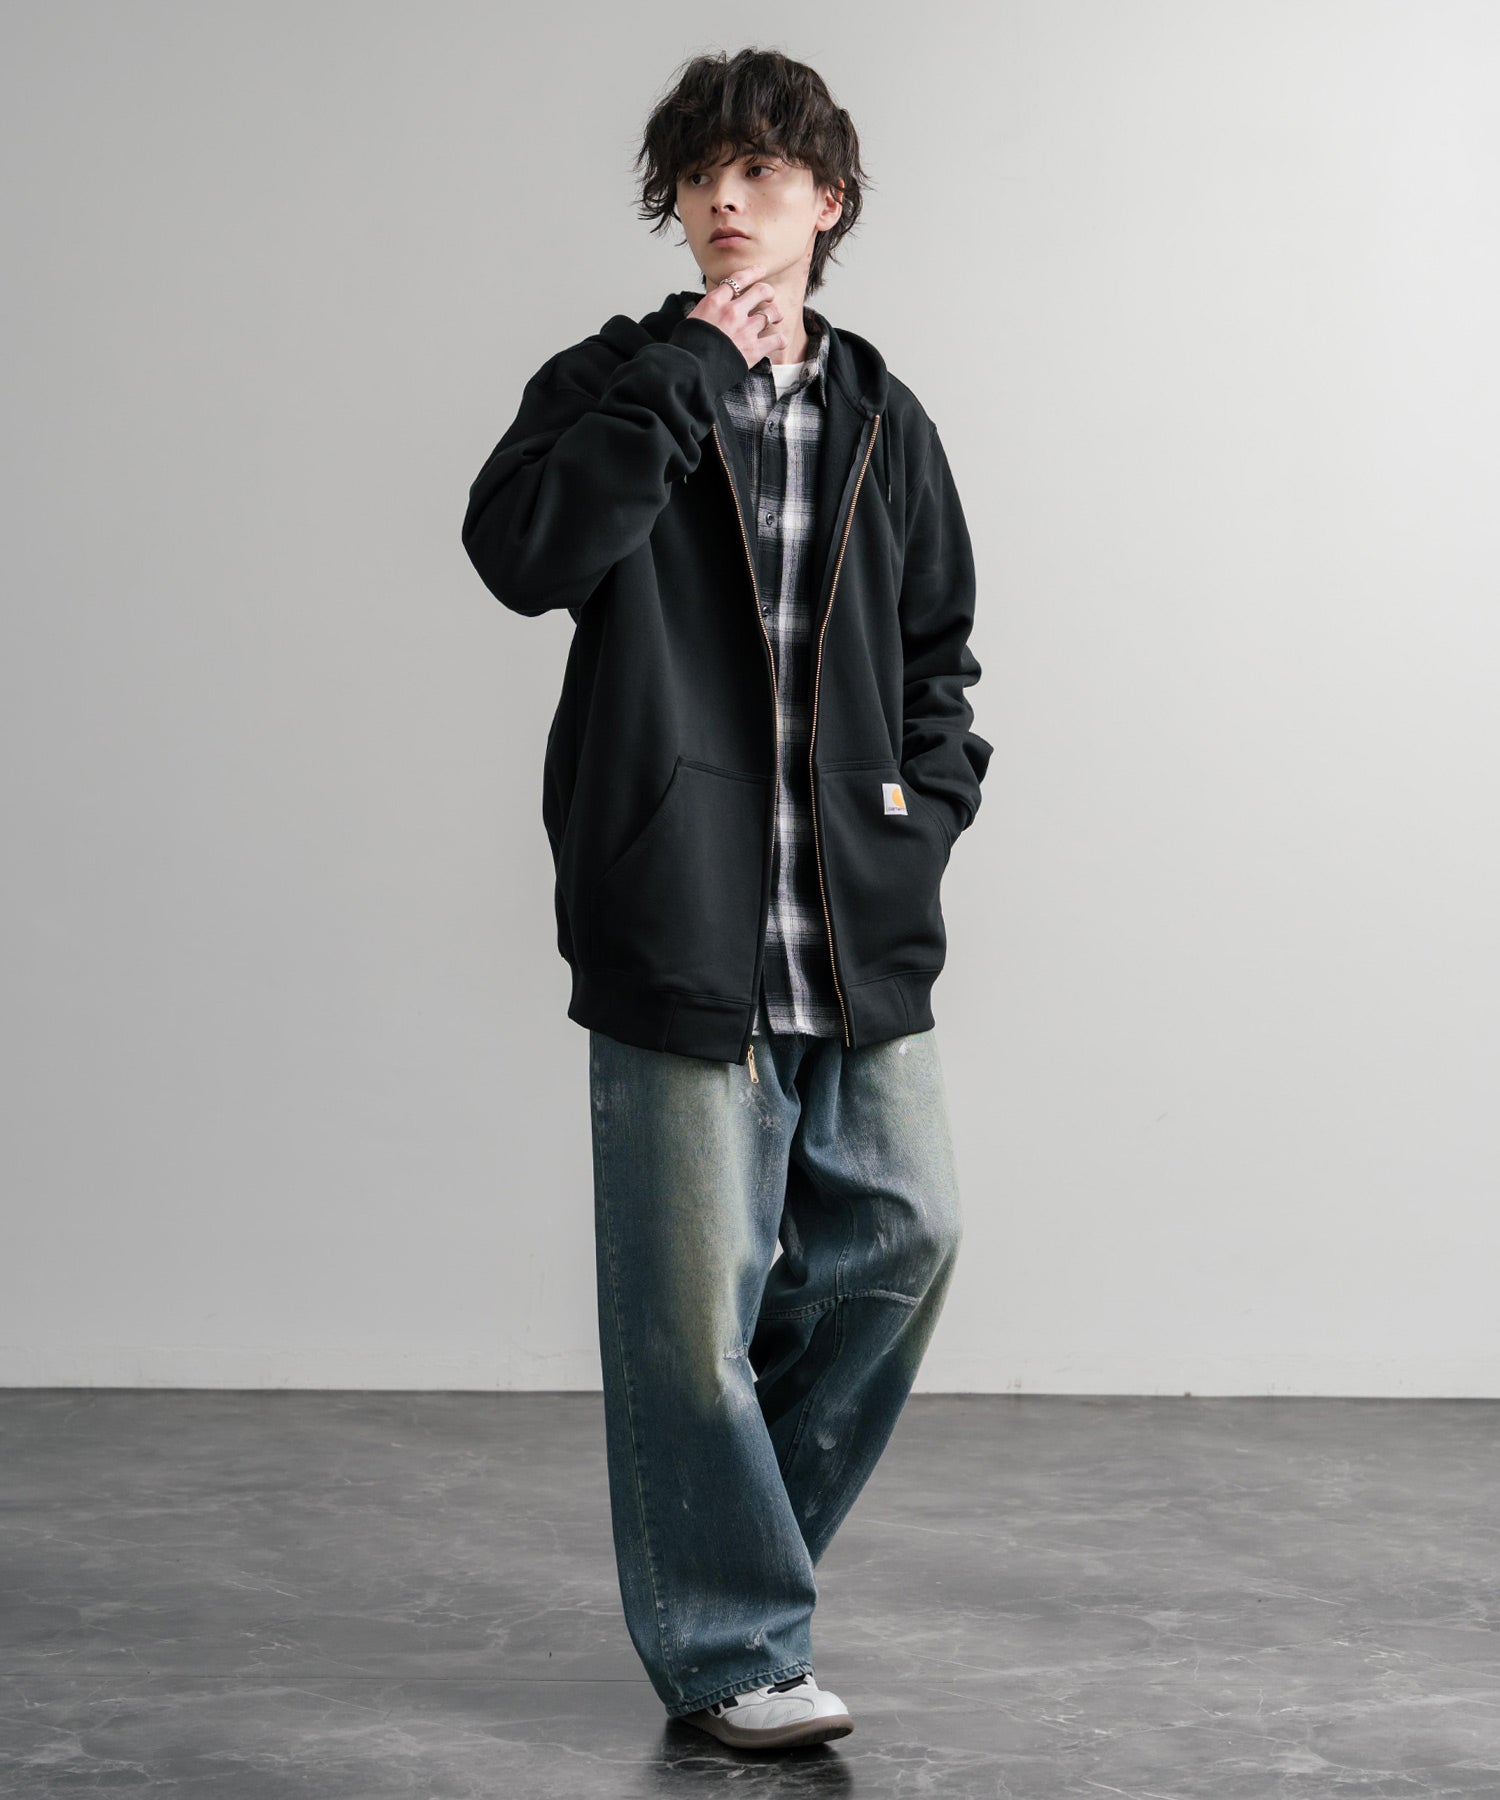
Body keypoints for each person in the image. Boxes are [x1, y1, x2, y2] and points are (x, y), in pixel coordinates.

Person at [461, 46, 992, 1752]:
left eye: (760, 170)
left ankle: (722, 1570)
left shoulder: (886, 421)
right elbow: (523, 553)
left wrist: (917, 819)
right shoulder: (616, 382)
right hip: (677, 913)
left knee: (906, 1240)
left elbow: (939, 665)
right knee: (689, 1322)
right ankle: (734, 1647)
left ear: (828, 200)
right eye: (699, 174)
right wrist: (690, 369)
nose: (723, 199)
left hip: (852, 923)